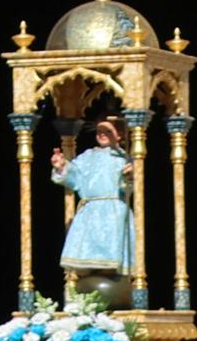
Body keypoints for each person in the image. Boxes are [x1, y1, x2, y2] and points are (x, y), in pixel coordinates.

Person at [52, 116, 137, 308]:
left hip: (113, 212)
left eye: (107, 131)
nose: (102, 135)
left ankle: (113, 293)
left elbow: (130, 188)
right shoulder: (87, 156)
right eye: (99, 131)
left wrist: (129, 177)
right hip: (91, 211)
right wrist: (62, 167)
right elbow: (74, 177)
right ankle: (87, 298)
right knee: (89, 261)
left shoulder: (123, 157)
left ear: (120, 135)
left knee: (112, 260)